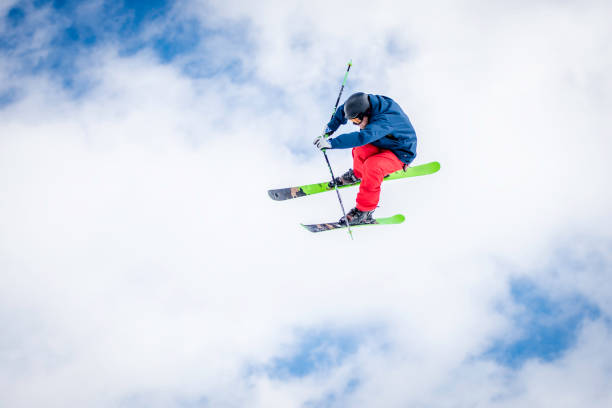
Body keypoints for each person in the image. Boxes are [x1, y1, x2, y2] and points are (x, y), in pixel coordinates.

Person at [313, 92, 417, 225]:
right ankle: (359, 174)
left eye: (357, 121)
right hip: (382, 141)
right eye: (353, 121)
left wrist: (331, 143)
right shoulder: (363, 104)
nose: (357, 125)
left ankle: (364, 211)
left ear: (366, 112)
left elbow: (363, 137)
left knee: (373, 166)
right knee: (360, 150)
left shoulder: (385, 120)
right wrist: (329, 129)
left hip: (400, 152)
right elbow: (343, 110)